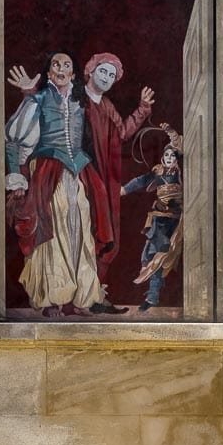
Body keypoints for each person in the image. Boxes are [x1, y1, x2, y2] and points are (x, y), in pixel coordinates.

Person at [4, 51, 115, 317]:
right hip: (49, 172)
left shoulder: (80, 102)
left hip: (78, 173)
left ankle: (82, 298)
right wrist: (17, 178)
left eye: (67, 65)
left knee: (82, 228)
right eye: (56, 65)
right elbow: (13, 141)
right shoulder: (38, 100)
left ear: (74, 74)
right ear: (49, 72)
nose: (61, 69)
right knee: (53, 231)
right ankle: (52, 299)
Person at [79, 53, 154, 293]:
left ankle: (93, 294)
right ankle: (76, 297)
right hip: (78, 174)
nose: (107, 77)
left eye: (112, 75)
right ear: (90, 71)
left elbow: (123, 133)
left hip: (104, 177)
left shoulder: (107, 106)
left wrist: (143, 108)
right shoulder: (75, 97)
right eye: (103, 71)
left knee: (105, 236)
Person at [121, 124, 183, 312]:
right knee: (149, 256)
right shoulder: (158, 171)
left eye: (172, 155)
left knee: (159, 257)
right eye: (166, 155)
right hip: (158, 221)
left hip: (174, 222)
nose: (169, 158)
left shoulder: (181, 172)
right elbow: (140, 181)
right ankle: (154, 293)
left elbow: (177, 144)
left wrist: (170, 131)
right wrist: (123, 190)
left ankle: (153, 295)